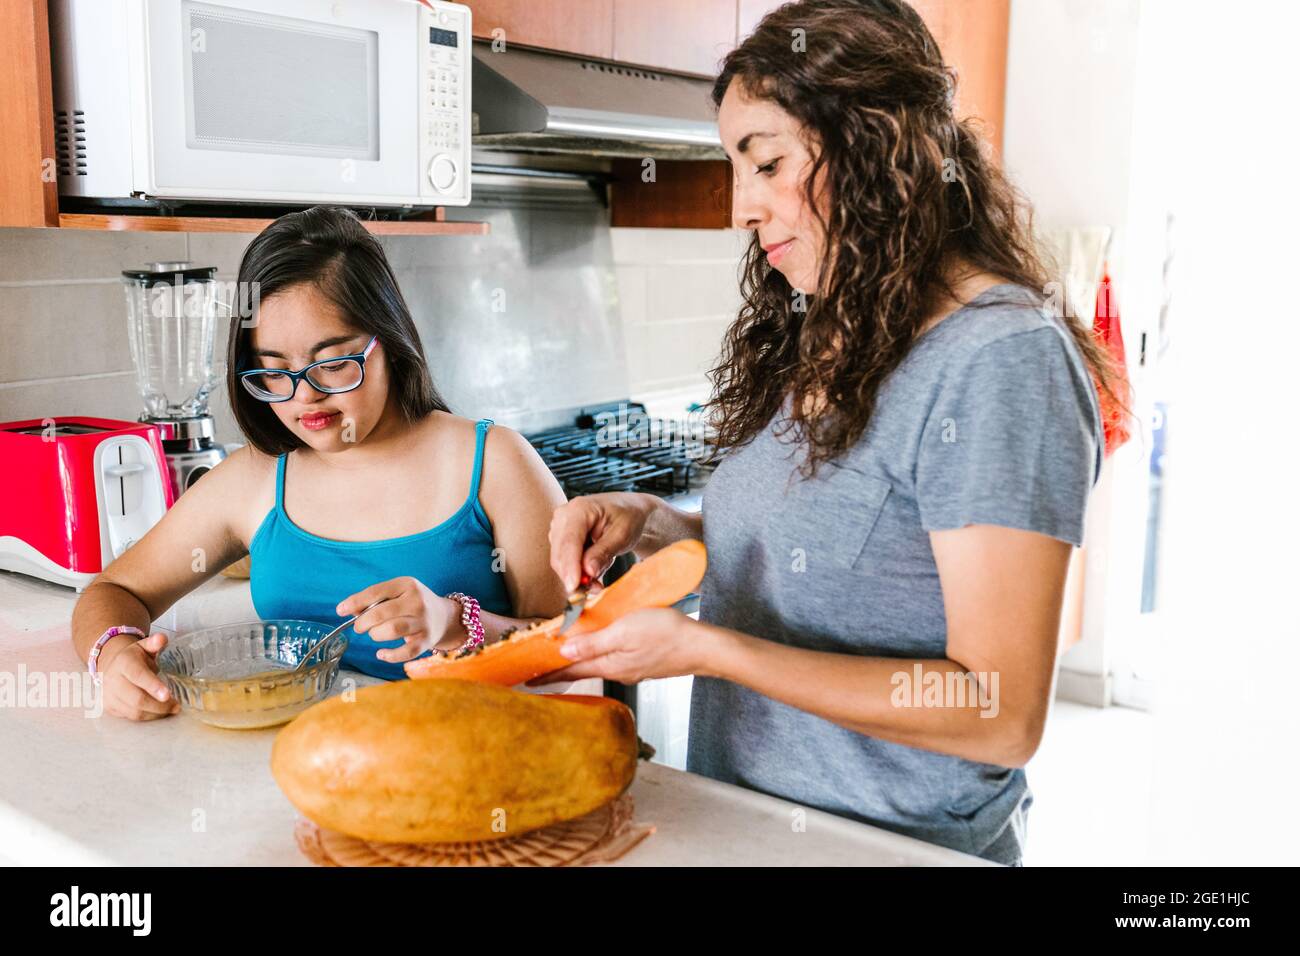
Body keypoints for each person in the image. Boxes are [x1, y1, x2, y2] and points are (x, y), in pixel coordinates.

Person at [542, 0, 1117, 866]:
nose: (742, 208)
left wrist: (710, 650)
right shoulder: (832, 325)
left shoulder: (1002, 361)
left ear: (874, 146)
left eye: (767, 164)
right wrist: (663, 528)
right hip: (749, 827)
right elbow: (849, 559)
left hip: (890, 847)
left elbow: (999, 713)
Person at [71, 206, 567, 718]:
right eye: (274, 372)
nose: (304, 396)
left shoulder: (496, 463)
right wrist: (114, 655)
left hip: (481, 770)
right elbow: (115, 589)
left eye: (331, 364)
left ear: (390, 343)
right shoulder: (257, 478)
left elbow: (571, 648)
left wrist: (455, 623)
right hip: (315, 772)